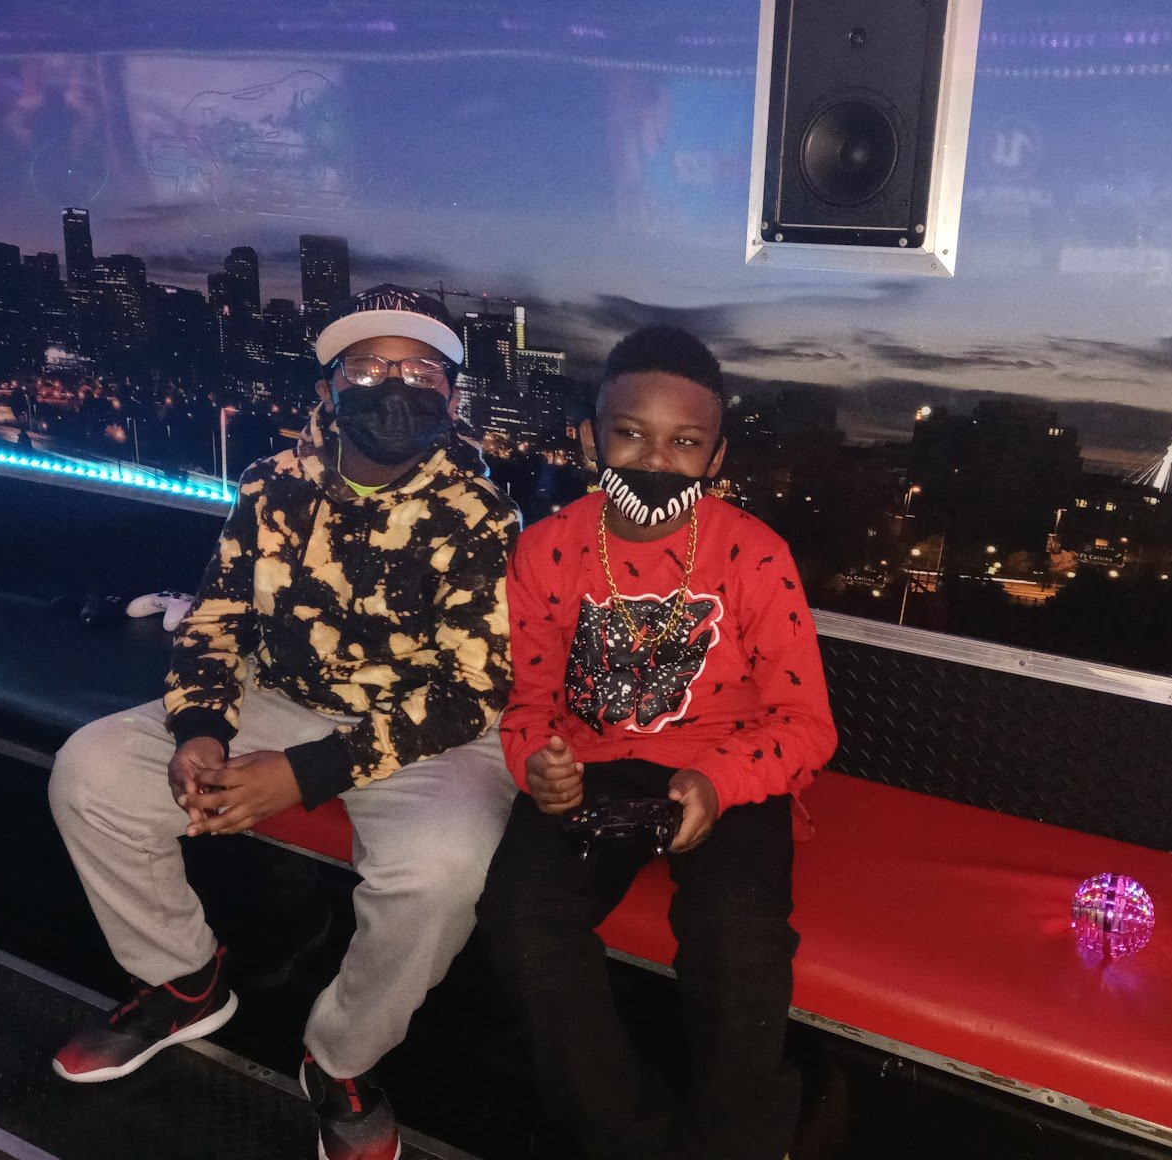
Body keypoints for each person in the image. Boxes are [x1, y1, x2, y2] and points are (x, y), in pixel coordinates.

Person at [48, 284, 520, 1160]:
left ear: (452, 399)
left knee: (443, 868)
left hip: (425, 726)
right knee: (92, 769)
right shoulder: (272, 485)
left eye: (419, 371)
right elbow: (220, 618)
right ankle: (182, 980)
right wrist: (201, 729)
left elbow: (470, 690)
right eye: (368, 368)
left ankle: (341, 1059)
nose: (393, 388)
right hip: (280, 696)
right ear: (326, 389)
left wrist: (302, 775)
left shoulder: (480, 514)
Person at [475, 324, 837, 1160]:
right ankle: (629, 1136)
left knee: (737, 939)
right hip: (593, 768)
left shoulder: (754, 554)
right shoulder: (546, 549)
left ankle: (742, 1144)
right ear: (589, 439)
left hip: (726, 767)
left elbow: (806, 723)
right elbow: (528, 702)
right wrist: (536, 763)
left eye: (685, 442)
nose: (655, 460)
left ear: (716, 457)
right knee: (521, 921)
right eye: (631, 434)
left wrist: (717, 784)